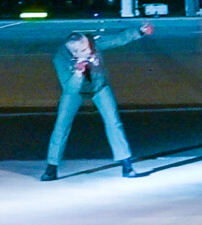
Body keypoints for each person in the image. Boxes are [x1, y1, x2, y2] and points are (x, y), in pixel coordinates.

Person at [42, 21, 153, 181]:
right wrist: (78, 73)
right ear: (74, 53)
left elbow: (116, 39)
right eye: (84, 50)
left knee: (114, 123)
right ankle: (52, 167)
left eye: (88, 46)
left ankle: (126, 164)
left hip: (99, 87)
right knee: (61, 126)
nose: (90, 51)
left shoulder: (92, 44)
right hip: (75, 92)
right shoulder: (60, 58)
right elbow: (69, 89)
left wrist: (139, 31)